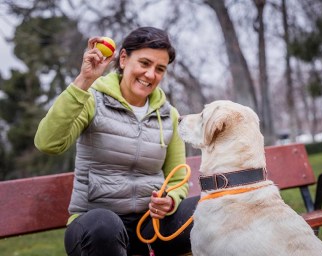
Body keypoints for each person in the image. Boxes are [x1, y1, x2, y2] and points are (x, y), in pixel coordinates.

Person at [34, 27, 199, 256]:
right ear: (123, 59)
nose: (151, 74)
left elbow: (178, 179)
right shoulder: (91, 100)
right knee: (104, 225)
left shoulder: (169, 115)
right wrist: (85, 80)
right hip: (95, 228)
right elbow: (47, 142)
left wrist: (170, 201)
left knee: (208, 209)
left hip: (149, 227)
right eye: (144, 63)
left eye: (159, 69)